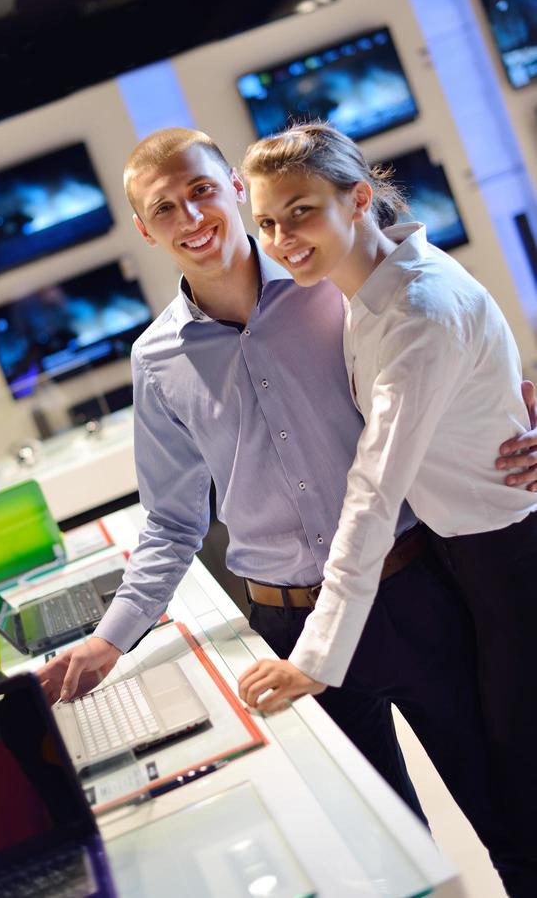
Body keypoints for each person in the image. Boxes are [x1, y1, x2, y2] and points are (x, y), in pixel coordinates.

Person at [36, 128, 537, 886]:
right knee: (382, 863)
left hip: (415, 594)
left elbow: (451, 345)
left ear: (234, 188)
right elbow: (173, 523)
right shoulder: (156, 362)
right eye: (165, 208)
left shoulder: (332, 282)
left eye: (202, 190)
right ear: (145, 230)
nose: (192, 216)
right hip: (285, 621)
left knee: (510, 818)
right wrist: (110, 640)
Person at [240, 121, 537, 895]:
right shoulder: (363, 292)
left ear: (359, 198)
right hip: (464, 561)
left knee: (523, 797)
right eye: (267, 222)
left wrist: (313, 658)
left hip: (514, 568)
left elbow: (372, 492)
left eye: (299, 211)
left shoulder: (417, 312)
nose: (280, 237)